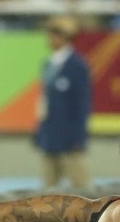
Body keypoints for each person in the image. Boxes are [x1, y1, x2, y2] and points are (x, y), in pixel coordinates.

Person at [35, 16, 92, 191]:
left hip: (69, 137)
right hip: (50, 134)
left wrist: (78, 137)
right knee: (48, 186)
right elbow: (44, 100)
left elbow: (82, 104)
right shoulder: (48, 64)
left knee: (80, 186)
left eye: (53, 35)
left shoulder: (77, 65)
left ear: (64, 37)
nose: (49, 39)